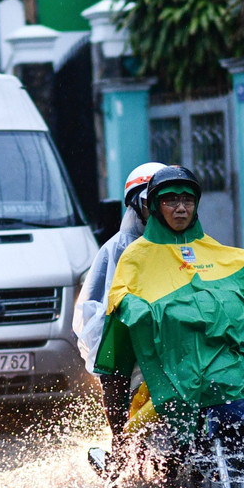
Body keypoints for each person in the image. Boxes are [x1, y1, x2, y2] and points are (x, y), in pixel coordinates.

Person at [93, 165, 244, 488]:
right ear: (154, 206)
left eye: (187, 200)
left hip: (214, 357)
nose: (180, 208)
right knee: (150, 424)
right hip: (166, 358)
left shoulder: (207, 248)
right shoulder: (135, 253)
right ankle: (128, 459)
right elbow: (119, 294)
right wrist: (137, 307)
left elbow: (237, 271)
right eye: (170, 200)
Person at [74, 161, 166, 457]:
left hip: (176, 346)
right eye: (153, 202)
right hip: (129, 349)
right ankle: (121, 455)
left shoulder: (190, 245)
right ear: (137, 205)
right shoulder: (117, 249)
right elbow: (95, 314)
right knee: (120, 396)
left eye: (171, 200)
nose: (165, 209)